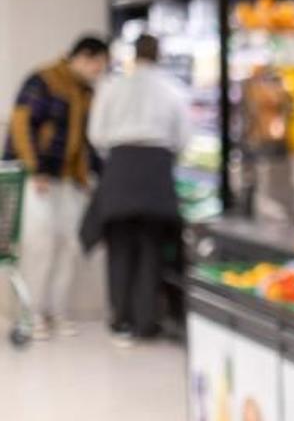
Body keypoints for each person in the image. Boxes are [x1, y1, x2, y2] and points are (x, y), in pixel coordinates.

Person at [82, 34, 190, 344]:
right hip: (157, 170)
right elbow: (183, 138)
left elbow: (97, 135)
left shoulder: (112, 88)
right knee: (152, 248)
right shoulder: (172, 90)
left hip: (120, 169)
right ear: (159, 55)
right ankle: (146, 323)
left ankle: (121, 321)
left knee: (119, 248)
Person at [4, 35, 108, 340]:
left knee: (69, 245)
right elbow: (21, 123)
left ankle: (55, 311)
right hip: (38, 178)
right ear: (84, 57)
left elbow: (85, 140)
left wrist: (90, 175)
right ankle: (30, 313)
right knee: (39, 245)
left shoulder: (86, 92)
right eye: (98, 64)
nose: (99, 71)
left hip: (68, 180)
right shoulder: (44, 80)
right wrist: (34, 167)